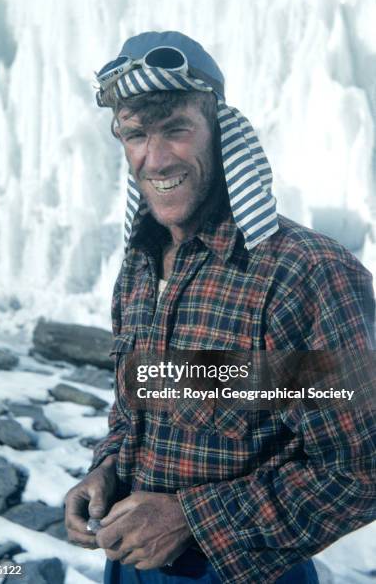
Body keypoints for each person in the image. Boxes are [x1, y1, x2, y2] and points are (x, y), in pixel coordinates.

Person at [64, 31, 376, 583]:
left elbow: (359, 471)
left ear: (220, 133)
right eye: (135, 135)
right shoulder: (139, 268)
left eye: (176, 130)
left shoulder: (302, 274)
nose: (155, 159)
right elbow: (137, 405)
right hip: (128, 567)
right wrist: (107, 470)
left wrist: (190, 519)